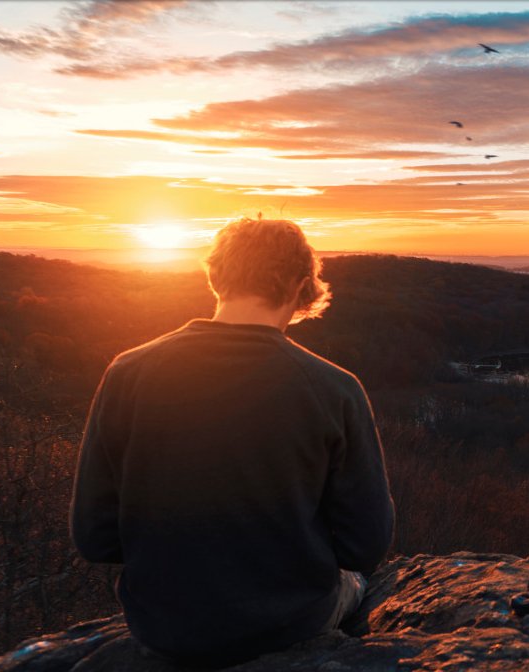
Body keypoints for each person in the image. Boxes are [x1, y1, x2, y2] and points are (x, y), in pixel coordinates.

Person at [70, 216, 394, 667]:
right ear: (302, 286)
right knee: (355, 583)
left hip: (163, 627)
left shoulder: (127, 372)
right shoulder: (336, 388)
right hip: (291, 623)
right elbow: (365, 545)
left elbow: (94, 538)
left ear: (214, 276)